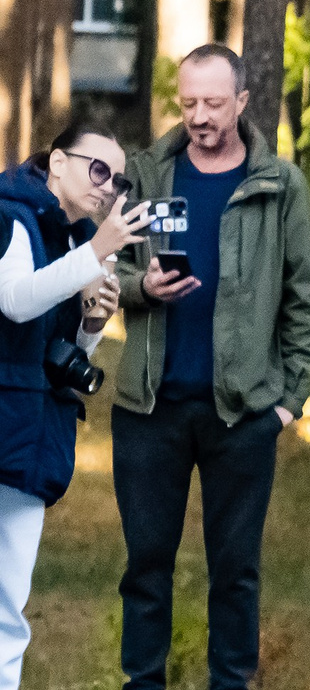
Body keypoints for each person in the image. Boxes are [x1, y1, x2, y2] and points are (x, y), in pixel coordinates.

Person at [112, 44, 310, 690]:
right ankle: (141, 682)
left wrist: (287, 404)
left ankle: (230, 683)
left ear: (241, 101)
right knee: (146, 565)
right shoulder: (146, 173)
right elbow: (107, 268)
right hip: (150, 409)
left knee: (234, 570)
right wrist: (140, 287)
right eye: (188, 103)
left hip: (241, 415)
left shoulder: (279, 185)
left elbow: (309, 304)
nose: (200, 116)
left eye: (213, 102)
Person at [0, 124, 141, 690]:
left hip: (32, 438)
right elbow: (14, 301)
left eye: (118, 178)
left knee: (10, 607)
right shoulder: (13, 214)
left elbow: (61, 354)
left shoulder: (71, 239)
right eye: (97, 169)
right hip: (9, 424)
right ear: (57, 162)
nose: (107, 187)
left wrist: (90, 324)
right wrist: (96, 251)